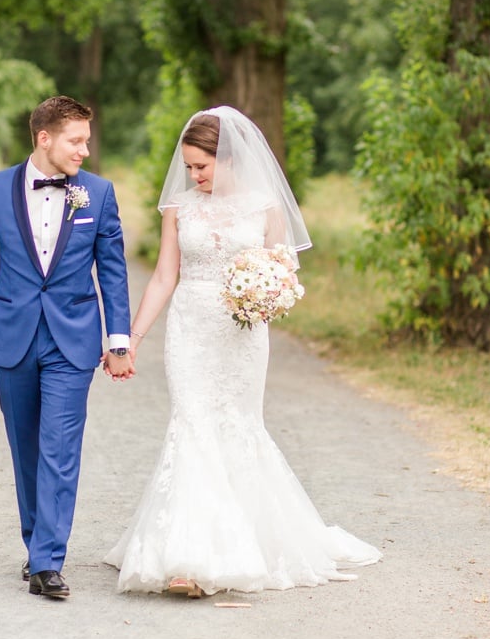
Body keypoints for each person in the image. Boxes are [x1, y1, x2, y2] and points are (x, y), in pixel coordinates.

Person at [104, 106, 380, 595]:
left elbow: (284, 271)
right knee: (192, 424)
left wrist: (264, 296)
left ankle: (242, 544)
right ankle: (188, 560)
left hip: (243, 334)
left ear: (228, 159)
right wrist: (132, 339)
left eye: (202, 166)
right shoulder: (179, 208)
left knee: (237, 426)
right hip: (190, 328)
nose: (193, 175)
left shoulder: (264, 207)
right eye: (188, 166)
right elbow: (165, 275)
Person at [0, 95, 133, 601]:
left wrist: (117, 339)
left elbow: (113, 269)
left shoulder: (97, 195)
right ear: (44, 139)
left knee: (59, 447)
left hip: (72, 340)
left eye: (87, 140)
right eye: (76, 141)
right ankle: (36, 545)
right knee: (26, 448)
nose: (85, 150)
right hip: (11, 338)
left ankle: (48, 562)